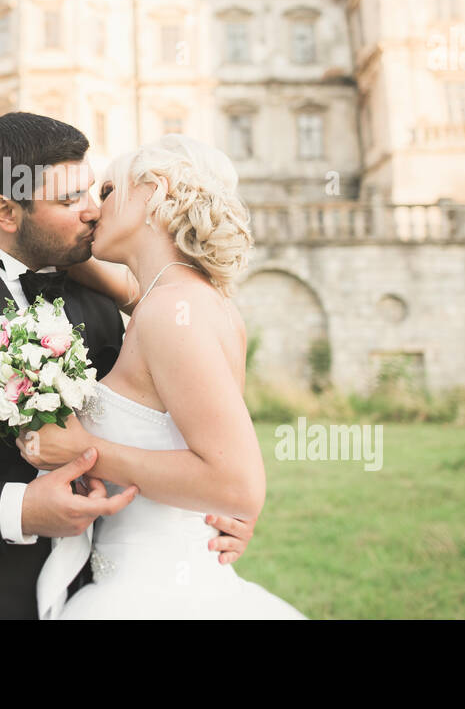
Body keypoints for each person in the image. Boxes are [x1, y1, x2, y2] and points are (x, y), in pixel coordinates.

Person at [0, 113, 255, 619]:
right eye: (68, 200)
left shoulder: (109, 299)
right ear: (7, 211)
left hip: (103, 591)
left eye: (93, 191)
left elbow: (183, 428)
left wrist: (212, 513)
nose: (92, 210)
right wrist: (19, 510)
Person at [19, 133, 308, 619]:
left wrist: (85, 454)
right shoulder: (185, 299)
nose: (92, 209)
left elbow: (236, 483)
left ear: (153, 192)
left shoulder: (173, 309)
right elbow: (130, 287)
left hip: (151, 596)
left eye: (107, 191)